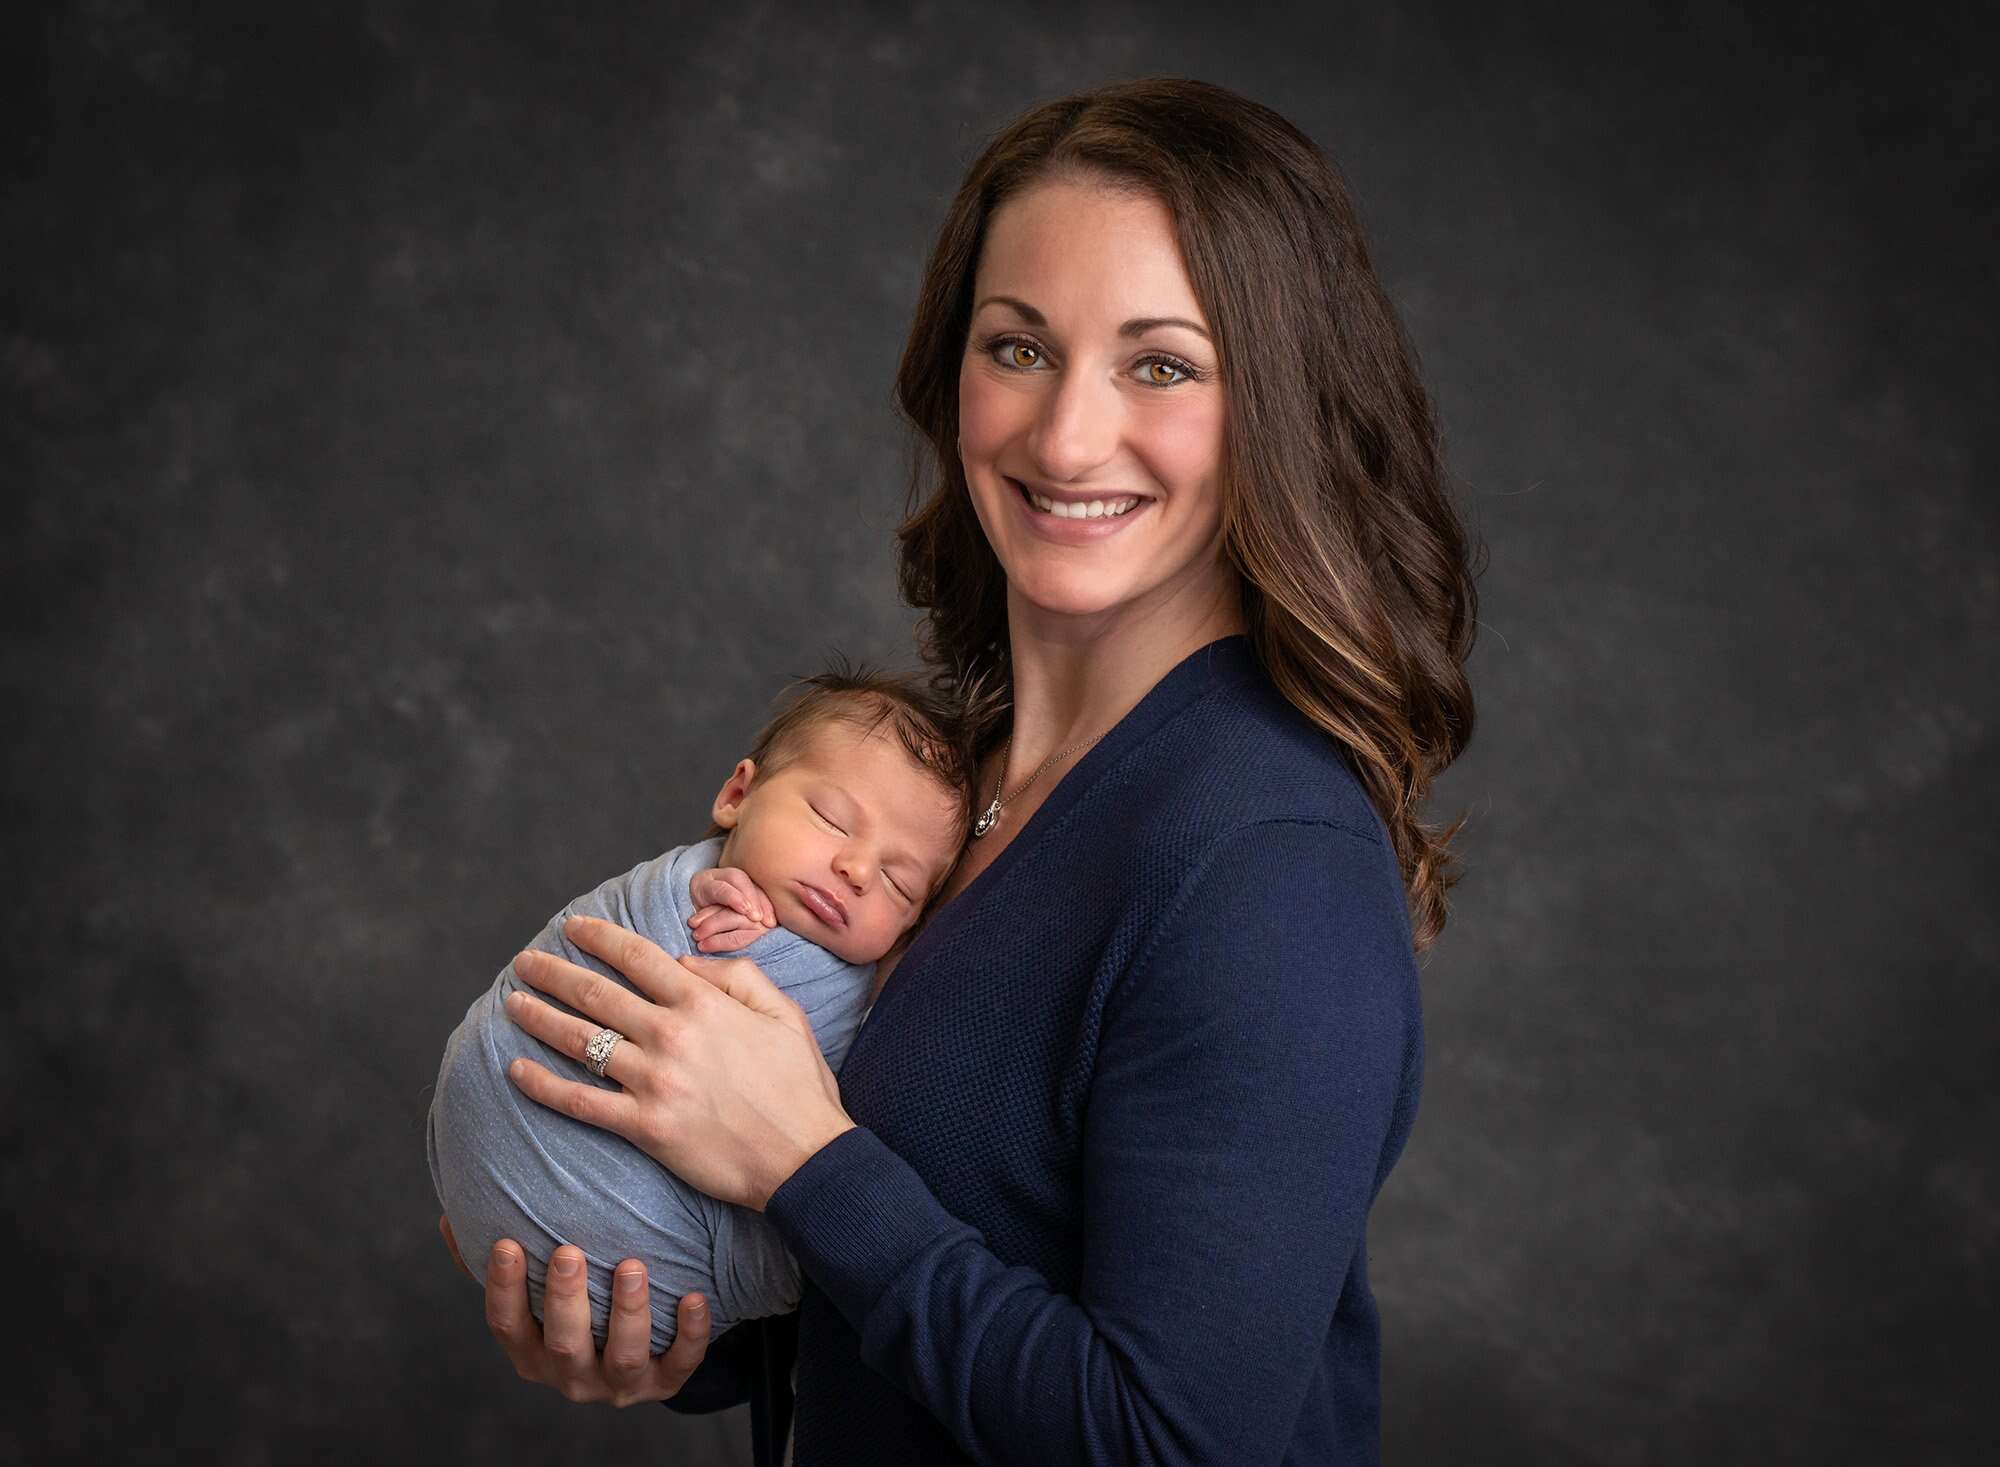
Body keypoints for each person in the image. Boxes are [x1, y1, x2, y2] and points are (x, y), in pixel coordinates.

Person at [439, 77, 1480, 1465]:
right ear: (952, 371)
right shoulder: (941, 794)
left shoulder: (1266, 857)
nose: (1063, 437)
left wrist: (805, 1158)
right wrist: (652, 1304)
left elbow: (1167, 1440)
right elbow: (917, 1262)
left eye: (1160, 363)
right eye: (1019, 347)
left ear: (1274, 406)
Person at [428, 667, 970, 1353]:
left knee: (805, 1249)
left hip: (646, 1285)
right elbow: (647, 933)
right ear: (737, 793)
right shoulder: (691, 893)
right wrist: (697, 892)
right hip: (498, 1128)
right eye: (832, 819)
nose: (858, 870)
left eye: (899, 881)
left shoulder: (877, 987)